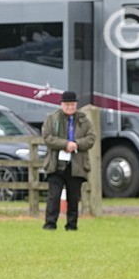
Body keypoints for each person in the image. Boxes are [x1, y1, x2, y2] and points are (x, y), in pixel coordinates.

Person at [41, 91, 96, 231]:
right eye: (67, 104)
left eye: (72, 104)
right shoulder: (52, 118)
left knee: (73, 197)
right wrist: (65, 144)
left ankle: (72, 226)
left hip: (76, 164)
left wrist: (76, 144)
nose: (70, 107)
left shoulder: (83, 119)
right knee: (53, 197)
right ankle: (50, 225)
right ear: (61, 104)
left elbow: (91, 138)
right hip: (56, 164)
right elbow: (47, 137)